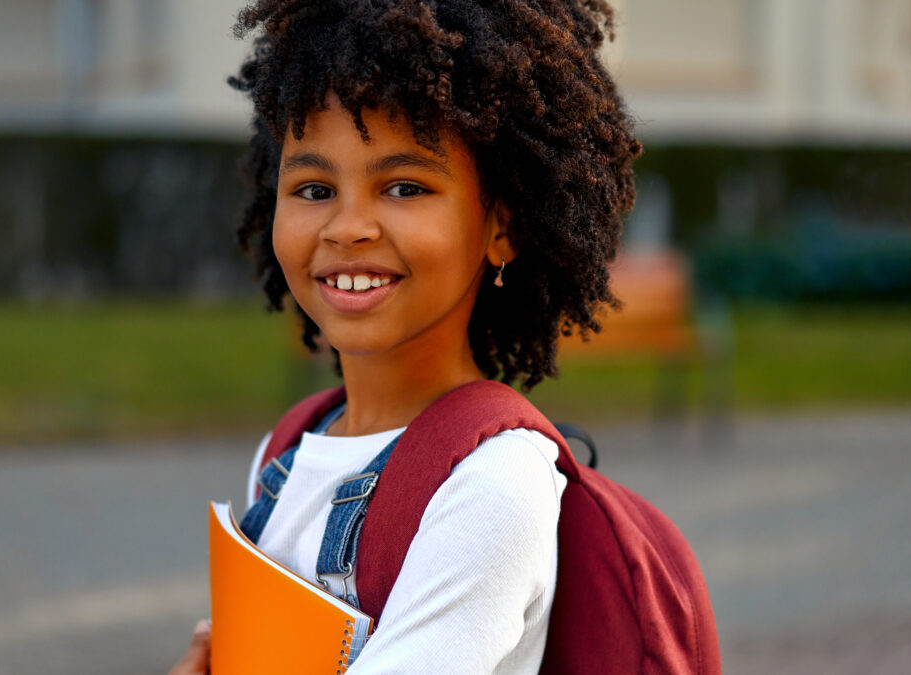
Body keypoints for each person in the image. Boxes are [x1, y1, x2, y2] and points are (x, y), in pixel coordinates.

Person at [171, 0, 639, 672]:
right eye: (312, 188)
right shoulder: (287, 450)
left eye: (404, 186)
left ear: (501, 227)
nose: (346, 227)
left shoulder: (491, 488)